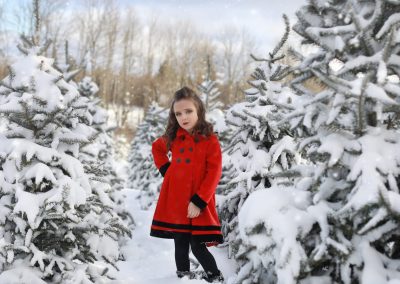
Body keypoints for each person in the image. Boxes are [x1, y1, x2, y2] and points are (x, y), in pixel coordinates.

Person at [150, 86, 224, 283]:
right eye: (178, 113)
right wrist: (167, 170)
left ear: (199, 109)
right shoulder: (174, 137)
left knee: (197, 243)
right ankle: (183, 277)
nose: (184, 117)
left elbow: (214, 172)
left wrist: (199, 201)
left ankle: (215, 277)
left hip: (198, 200)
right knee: (180, 242)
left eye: (188, 111)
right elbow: (157, 148)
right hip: (176, 199)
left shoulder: (210, 140)